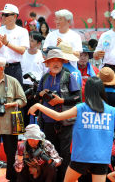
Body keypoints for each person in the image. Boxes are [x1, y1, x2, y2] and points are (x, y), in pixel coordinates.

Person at [29, 76, 115, 182]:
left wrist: (38, 105)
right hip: (101, 158)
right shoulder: (112, 111)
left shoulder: (81, 108)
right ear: (101, 90)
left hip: (82, 156)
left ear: (87, 91)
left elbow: (58, 116)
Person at [35, 49, 81, 179]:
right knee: (50, 153)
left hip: (65, 122)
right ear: (47, 63)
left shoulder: (69, 76)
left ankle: (64, 179)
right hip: (48, 121)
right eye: (52, 61)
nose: (55, 64)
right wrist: (42, 93)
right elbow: (37, 96)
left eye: (58, 61)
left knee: (65, 154)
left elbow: (78, 97)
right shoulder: (44, 78)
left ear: (62, 62)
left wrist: (62, 100)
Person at [0, 4, 29, 85]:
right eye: (2, 15)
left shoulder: (22, 31)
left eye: (6, 15)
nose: (3, 17)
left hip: (15, 68)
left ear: (15, 16)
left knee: (15, 95)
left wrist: (7, 43)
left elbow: (22, 50)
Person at [21, 31, 47, 126]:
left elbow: (45, 72)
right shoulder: (22, 53)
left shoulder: (42, 56)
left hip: (37, 86)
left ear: (39, 43)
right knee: (24, 110)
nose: (29, 43)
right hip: (24, 85)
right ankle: (23, 133)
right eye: (28, 40)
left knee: (37, 110)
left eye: (32, 41)